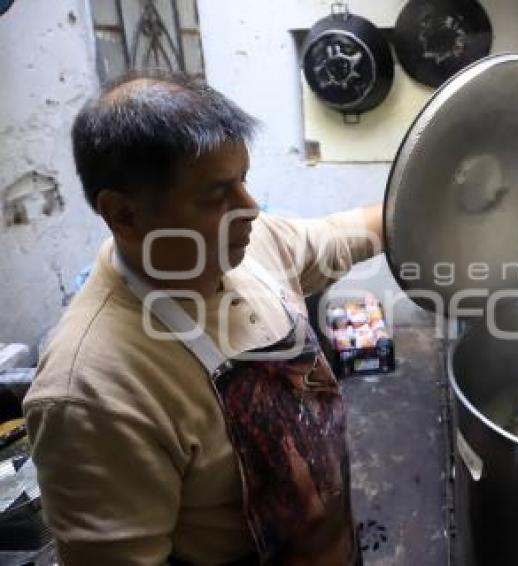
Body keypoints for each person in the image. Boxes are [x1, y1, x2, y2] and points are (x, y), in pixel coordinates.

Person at [23, 72, 384, 565]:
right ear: (124, 215)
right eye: (217, 195)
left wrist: (448, 201)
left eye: (244, 179)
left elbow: (344, 233)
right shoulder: (91, 390)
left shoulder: (253, 246)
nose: (250, 208)